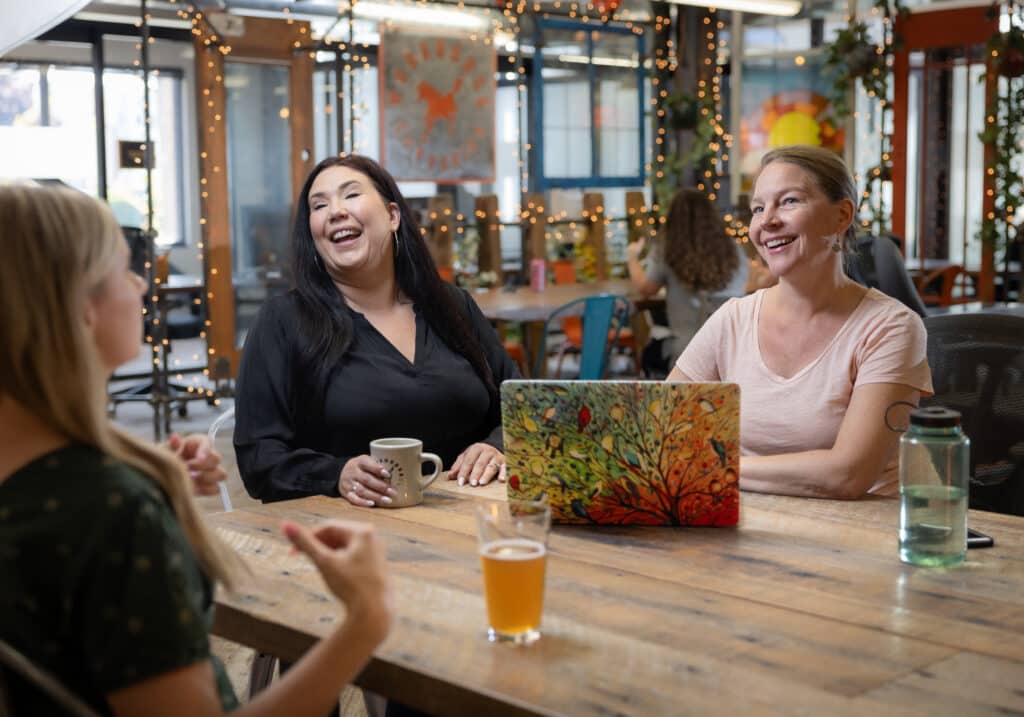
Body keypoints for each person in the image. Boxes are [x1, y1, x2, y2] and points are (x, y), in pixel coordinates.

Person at [0, 184, 391, 716]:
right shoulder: (113, 513)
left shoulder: (74, 491)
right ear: (79, 308)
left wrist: (156, 488)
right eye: (124, 270)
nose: (140, 284)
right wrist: (364, 624)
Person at [234, 155, 520, 506]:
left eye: (350, 195)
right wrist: (336, 475)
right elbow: (258, 459)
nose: (335, 211)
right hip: (348, 535)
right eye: (319, 205)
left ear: (393, 216)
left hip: (472, 519)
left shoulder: (452, 306)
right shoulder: (282, 322)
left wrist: (495, 447)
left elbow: (521, 408)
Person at [669, 145, 933, 499]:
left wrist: (715, 467)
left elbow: (848, 474)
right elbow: (665, 429)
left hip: (868, 536)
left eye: (789, 201)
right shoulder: (733, 319)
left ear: (842, 216)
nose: (766, 221)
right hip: (755, 526)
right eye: (758, 208)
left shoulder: (891, 327)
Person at [626, 187, 747, 375]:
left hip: (686, 353)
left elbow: (645, 288)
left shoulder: (668, 251)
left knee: (651, 352)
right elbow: (746, 284)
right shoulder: (733, 249)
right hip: (734, 352)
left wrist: (632, 256)